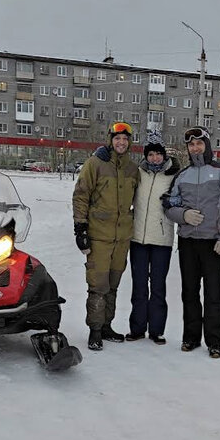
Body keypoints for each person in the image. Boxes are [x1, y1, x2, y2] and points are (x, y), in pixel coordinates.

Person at [163, 126, 220, 358]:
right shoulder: (182, 175)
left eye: (199, 143)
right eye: (191, 144)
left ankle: (214, 341)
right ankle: (191, 337)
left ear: (207, 145)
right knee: (189, 291)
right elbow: (168, 205)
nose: (195, 147)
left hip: (213, 243)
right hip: (188, 242)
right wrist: (183, 215)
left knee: (213, 292)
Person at [72, 121, 140, 351]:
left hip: (121, 239)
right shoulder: (95, 164)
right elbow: (81, 195)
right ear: (110, 140)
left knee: (113, 285)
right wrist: (80, 228)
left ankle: (107, 326)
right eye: (117, 138)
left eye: (125, 139)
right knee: (97, 285)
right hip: (99, 236)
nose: (121, 142)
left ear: (129, 142)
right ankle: (95, 330)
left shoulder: (132, 169)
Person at [126, 131, 180, 345]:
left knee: (157, 286)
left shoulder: (173, 175)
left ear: (164, 155)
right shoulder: (138, 173)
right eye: (150, 154)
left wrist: (173, 201)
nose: (154, 158)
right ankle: (137, 328)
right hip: (137, 238)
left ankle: (156, 330)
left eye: (158, 154)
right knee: (139, 285)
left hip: (162, 240)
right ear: (145, 156)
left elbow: (181, 198)